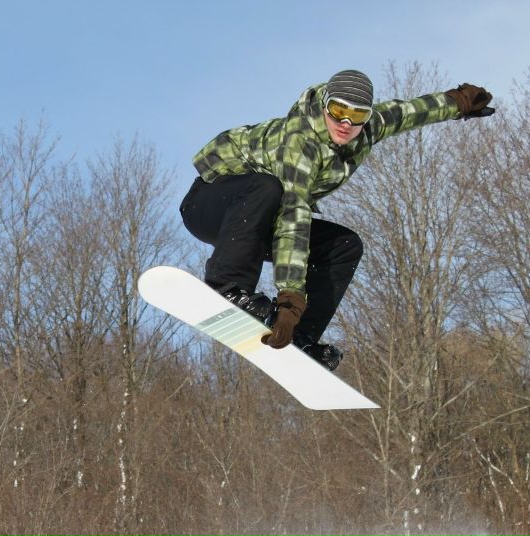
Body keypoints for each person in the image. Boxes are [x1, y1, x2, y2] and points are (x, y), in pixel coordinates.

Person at [180, 70, 492, 370]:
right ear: (325, 104)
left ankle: (300, 336)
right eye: (338, 111)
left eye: (357, 115)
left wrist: (459, 102)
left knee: (345, 245)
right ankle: (227, 287)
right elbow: (293, 218)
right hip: (211, 206)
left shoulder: (368, 127)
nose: (345, 123)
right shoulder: (300, 141)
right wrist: (290, 300)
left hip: (261, 224)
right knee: (268, 187)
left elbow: (408, 112)